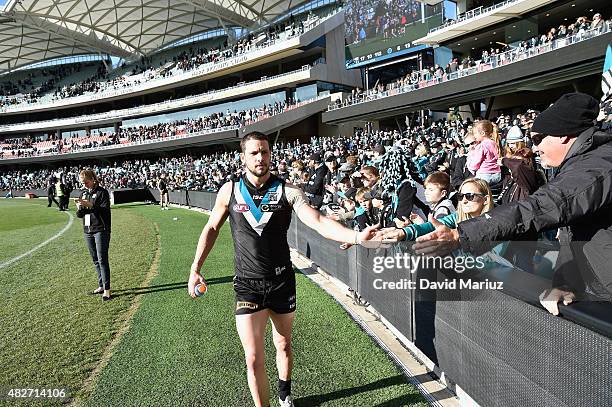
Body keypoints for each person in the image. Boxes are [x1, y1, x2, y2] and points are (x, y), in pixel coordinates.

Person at [187, 132, 378, 407]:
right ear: (243, 157)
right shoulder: (229, 190)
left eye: (264, 152)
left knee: (283, 344)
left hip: (281, 283)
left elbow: (318, 221)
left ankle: (284, 393)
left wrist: (357, 237)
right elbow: (212, 228)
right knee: (252, 359)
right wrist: (195, 268)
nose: (260, 157)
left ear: (270, 154)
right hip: (247, 286)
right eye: (254, 153)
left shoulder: (288, 191)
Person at [387, 93, 612, 315]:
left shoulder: (599, 165)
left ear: (564, 135)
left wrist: (460, 236)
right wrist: (566, 283)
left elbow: (544, 206)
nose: (533, 148)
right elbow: (574, 232)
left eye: (536, 139)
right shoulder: (585, 162)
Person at [75, 168, 112, 301]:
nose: (84, 184)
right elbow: (80, 215)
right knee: (95, 259)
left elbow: (104, 211)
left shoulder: (102, 192)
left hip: (101, 229)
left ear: (92, 179)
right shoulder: (83, 193)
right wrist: (80, 208)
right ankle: (101, 285)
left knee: (102, 259)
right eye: (82, 182)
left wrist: (90, 205)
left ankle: (107, 289)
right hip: (88, 230)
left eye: (86, 182)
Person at [467, 120, 502, 184]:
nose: (474, 136)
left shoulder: (481, 146)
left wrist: (470, 167)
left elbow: (475, 163)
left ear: (483, 133)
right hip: (497, 175)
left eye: (475, 133)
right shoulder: (494, 143)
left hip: (484, 175)